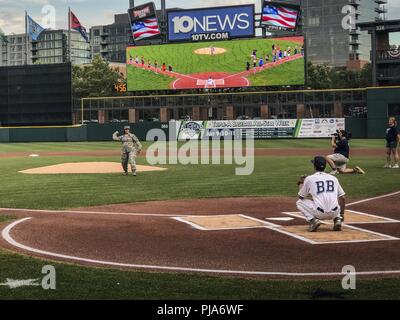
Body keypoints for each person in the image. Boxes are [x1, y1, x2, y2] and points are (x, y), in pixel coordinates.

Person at [297, 156, 345, 232]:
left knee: (299, 203)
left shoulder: (309, 178)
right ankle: (337, 220)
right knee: (335, 200)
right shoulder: (334, 178)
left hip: (320, 213)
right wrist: (342, 214)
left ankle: (313, 221)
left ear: (314, 166)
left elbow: (301, 197)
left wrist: (301, 183)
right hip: (335, 212)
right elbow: (342, 197)